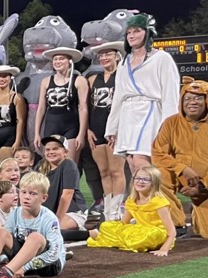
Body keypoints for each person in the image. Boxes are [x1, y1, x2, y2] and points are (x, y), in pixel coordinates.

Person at [151, 78, 208, 239]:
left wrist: (203, 184)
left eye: (198, 98)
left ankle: (198, 210)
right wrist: (183, 169)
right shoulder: (171, 122)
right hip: (182, 178)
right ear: (181, 101)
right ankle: (176, 224)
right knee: (158, 174)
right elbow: (158, 153)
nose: (192, 102)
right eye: (187, 98)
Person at [105, 12, 181, 173]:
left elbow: (170, 95)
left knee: (142, 160)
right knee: (131, 162)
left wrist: (169, 126)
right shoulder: (124, 63)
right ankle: (139, 198)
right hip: (127, 115)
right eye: (129, 32)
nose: (131, 36)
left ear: (148, 32)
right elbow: (118, 96)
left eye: (137, 31)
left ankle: (153, 197)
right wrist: (112, 127)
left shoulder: (162, 58)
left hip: (150, 111)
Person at [87, 165, 176, 255]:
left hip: (156, 234)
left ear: (154, 183)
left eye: (145, 180)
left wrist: (164, 249)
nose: (140, 182)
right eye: (138, 178)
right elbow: (124, 223)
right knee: (106, 225)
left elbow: (172, 232)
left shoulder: (159, 202)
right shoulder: (131, 200)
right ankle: (122, 240)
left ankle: (112, 239)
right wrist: (111, 228)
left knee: (149, 234)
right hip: (140, 230)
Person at [85, 42, 128, 220]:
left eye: (108, 54)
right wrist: (87, 129)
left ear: (117, 55)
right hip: (96, 129)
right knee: (103, 171)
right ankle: (108, 209)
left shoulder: (123, 76)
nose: (104, 58)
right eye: (101, 55)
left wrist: (119, 130)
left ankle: (118, 208)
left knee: (116, 171)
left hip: (116, 129)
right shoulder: (93, 79)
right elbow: (86, 106)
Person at [34, 48, 89, 163]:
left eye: (61, 59)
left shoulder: (79, 80)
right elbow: (41, 108)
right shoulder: (46, 81)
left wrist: (81, 134)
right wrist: (36, 133)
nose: (58, 61)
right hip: (52, 126)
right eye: (55, 59)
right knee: (51, 165)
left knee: (69, 164)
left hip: (71, 127)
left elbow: (83, 108)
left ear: (69, 61)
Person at [37, 135, 88, 233]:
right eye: (48, 149)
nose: (51, 152)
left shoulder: (68, 165)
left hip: (71, 212)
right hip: (49, 212)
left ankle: (87, 233)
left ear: (65, 152)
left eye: (55, 149)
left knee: (51, 230)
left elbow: (67, 195)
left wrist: (56, 221)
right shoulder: (40, 165)